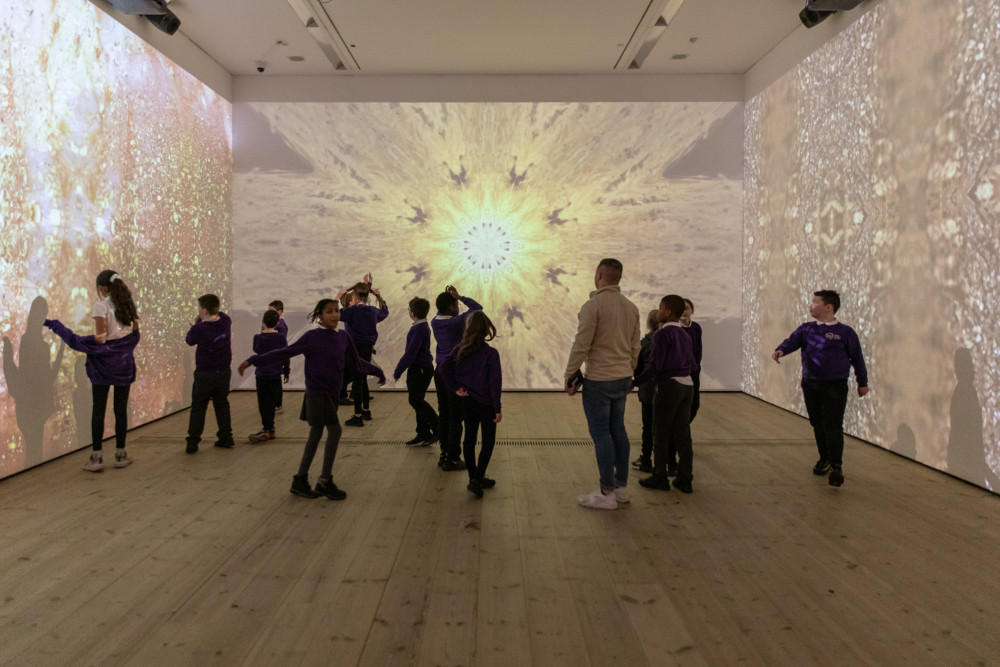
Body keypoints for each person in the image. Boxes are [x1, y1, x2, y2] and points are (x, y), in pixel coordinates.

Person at [238, 298, 385, 499]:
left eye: (336, 311)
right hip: (317, 394)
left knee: (316, 434)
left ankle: (300, 480)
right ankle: (324, 481)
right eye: (329, 311)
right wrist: (254, 360)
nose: (334, 315)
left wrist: (377, 371)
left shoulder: (343, 337)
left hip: (331, 395)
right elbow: (285, 352)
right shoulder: (312, 337)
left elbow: (357, 362)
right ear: (319, 315)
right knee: (335, 430)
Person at [44, 270, 140, 471]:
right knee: (121, 410)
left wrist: (80, 339)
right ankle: (120, 455)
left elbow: (101, 338)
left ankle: (97, 458)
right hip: (123, 365)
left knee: (99, 410)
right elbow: (133, 335)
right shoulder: (128, 306)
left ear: (103, 288)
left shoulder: (101, 306)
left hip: (103, 367)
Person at [565, 258, 641, 510]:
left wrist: (570, 373)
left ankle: (606, 491)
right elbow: (635, 347)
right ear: (618, 278)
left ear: (598, 275)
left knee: (601, 435)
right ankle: (621, 488)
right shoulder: (631, 307)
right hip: (622, 378)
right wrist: (630, 371)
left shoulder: (593, 306)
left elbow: (582, 344)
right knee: (618, 430)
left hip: (599, 379)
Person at [772, 290, 869, 487]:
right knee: (817, 423)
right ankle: (824, 458)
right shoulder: (806, 329)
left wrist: (862, 382)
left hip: (835, 385)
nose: (810, 305)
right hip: (811, 384)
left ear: (828, 307)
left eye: (815, 302)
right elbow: (792, 341)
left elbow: (857, 358)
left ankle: (836, 466)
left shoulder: (845, 332)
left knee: (833, 424)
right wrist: (781, 350)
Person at [634, 295, 696, 493]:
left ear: (668, 312)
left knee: (660, 432)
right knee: (683, 434)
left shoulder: (662, 335)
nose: (658, 311)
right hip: (688, 386)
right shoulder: (685, 334)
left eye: (660, 307)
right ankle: (685, 478)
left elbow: (655, 367)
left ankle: (659, 476)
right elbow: (693, 365)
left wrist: (634, 383)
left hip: (670, 387)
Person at [439, 311, 502, 498]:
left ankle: (473, 478)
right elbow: (495, 383)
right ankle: (478, 478)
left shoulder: (461, 350)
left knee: (469, 439)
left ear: (468, 329)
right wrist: (497, 408)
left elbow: (443, 367)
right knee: (488, 442)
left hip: (468, 401)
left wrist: (455, 388)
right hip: (487, 404)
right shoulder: (491, 354)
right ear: (486, 330)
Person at [431, 285, 483, 470]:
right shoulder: (456, 322)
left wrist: (451, 298)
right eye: (456, 305)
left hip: (440, 372)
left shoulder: (434, 321)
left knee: (444, 414)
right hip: (454, 373)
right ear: (451, 307)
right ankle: (453, 458)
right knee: (455, 416)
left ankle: (444, 454)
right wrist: (460, 296)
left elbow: (444, 310)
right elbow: (477, 308)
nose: (458, 307)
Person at [184, 294, 234, 453]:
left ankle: (193, 442)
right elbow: (222, 314)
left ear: (205, 311)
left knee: (198, 407)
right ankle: (226, 437)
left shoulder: (198, 329)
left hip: (204, 374)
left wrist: (197, 323)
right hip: (223, 372)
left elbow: (189, 340)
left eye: (200, 308)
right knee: (222, 405)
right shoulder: (225, 322)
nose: (198, 311)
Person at [338, 274, 388, 426]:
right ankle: (366, 410)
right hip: (367, 348)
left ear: (354, 296)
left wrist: (338, 297)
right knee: (362, 379)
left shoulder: (352, 311)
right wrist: (378, 295)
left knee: (358, 381)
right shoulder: (373, 311)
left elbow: (334, 313)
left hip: (354, 349)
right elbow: (384, 311)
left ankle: (358, 415)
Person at [393, 297, 438, 447]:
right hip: (422, 368)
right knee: (418, 400)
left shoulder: (418, 329)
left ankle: (437, 426)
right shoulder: (422, 326)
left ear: (412, 313)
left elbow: (411, 353)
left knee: (415, 401)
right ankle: (423, 434)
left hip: (420, 369)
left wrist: (398, 370)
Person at [248, 309, 289, 443]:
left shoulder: (258, 337)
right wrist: (286, 371)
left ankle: (267, 428)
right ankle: (269, 428)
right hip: (275, 375)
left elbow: (256, 350)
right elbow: (285, 355)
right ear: (277, 323)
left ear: (263, 322)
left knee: (262, 403)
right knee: (271, 403)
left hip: (262, 375)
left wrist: (262, 332)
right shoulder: (281, 338)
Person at [630, 309, 660, 474]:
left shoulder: (645, 342)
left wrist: (636, 380)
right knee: (663, 427)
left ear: (649, 323)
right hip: (664, 390)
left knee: (648, 427)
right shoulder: (668, 340)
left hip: (648, 390)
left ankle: (646, 460)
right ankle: (666, 463)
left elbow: (637, 366)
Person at [681, 298, 703, 424]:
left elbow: (698, 349)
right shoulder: (675, 329)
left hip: (693, 372)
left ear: (692, 311)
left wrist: (696, 366)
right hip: (680, 373)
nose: (683, 312)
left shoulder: (696, 327)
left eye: (686, 308)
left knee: (694, 404)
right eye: (681, 309)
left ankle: (682, 427)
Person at [267, 300, 289, 412]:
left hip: (276, 356)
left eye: (271, 311)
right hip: (271, 356)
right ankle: (274, 402)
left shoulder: (281, 325)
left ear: (279, 312)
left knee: (276, 381)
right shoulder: (273, 324)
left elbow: (281, 343)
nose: (268, 313)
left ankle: (278, 403)